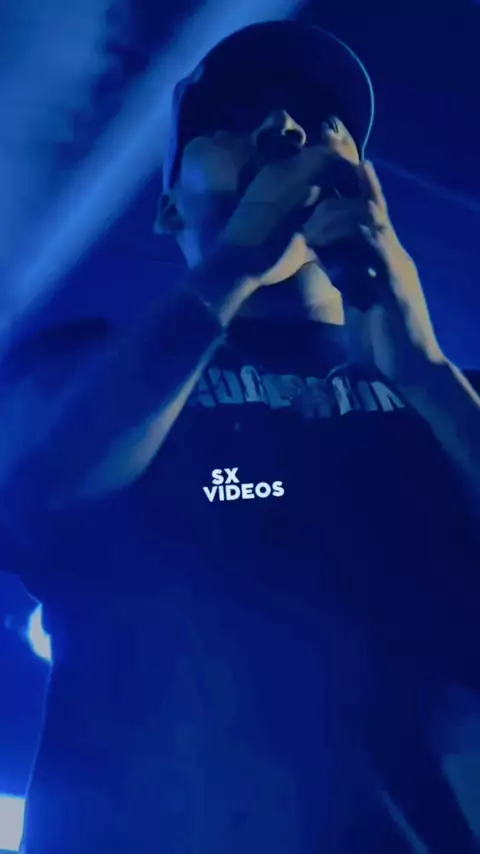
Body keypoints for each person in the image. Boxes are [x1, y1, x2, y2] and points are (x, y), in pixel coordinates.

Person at [1, 18, 480, 854]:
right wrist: (235, 263)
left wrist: (429, 371)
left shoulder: (448, 393)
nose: (286, 129)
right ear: (167, 208)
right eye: (234, 116)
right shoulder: (82, 370)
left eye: (319, 121)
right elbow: (45, 488)